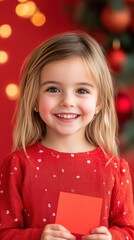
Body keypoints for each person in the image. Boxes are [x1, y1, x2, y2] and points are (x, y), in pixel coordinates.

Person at [0, 31, 134, 240]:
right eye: (53, 89)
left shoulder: (115, 169)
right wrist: (37, 237)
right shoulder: (18, 164)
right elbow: (4, 232)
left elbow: (129, 231)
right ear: (34, 98)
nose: (67, 101)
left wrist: (112, 238)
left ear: (99, 102)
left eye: (81, 91)